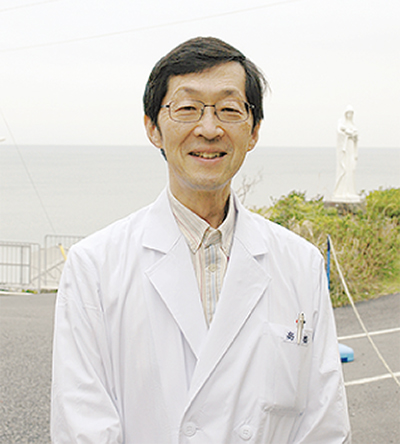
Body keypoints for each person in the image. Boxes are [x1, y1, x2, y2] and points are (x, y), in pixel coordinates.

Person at [51, 37, 351, 443]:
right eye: (187, 108)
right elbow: (82, 427)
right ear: (153, 128)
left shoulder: (301, 264)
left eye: (229, 109)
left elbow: (324, 425)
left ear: (254, 131)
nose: (209, 129)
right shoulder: (95, 267)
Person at [332, 105, 361, 203]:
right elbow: (339, 132)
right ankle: (343, 191)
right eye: (348, 113)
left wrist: (354, 136)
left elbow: (356, 139)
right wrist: (347, 133)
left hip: (351, 148)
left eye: (351, 113)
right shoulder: (342, 124)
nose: (350, 115)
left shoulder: (353, 125)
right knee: (345, 169)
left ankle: (350, 191)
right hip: (345, 149)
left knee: (351, 169)